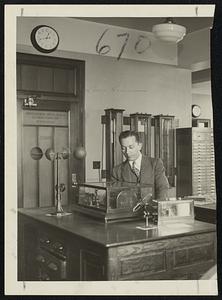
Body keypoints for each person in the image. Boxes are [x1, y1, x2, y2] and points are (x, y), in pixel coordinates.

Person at [111, 130, 169, 200]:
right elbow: (114, 195)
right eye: (123, 148)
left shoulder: (155, 164)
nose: (127, 152)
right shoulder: (117, 171)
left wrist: (157, 207)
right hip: (128, 210)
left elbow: (162, 188)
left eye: (131, 147)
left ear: (139, 146)